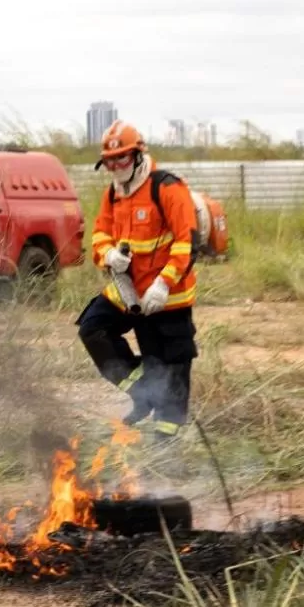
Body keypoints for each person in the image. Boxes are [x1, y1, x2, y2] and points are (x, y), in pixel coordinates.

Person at [75, 120, 200, 444]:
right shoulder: (113, 194)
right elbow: (100, 234)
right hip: (130, 292)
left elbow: (187, 244)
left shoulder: (168, 188)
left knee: (170, 365)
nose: (115, 167)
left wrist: (164, 283)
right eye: (110, 161)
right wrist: (107, 255)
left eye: (122, 159)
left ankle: (165, 445)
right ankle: (143, 394)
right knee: (93, 328)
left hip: (167, 296)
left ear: (138, 155)